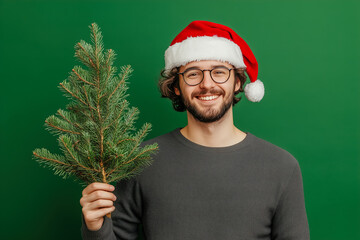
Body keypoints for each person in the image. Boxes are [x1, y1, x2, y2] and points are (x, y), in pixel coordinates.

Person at [80, 20, 310, 240]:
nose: (207, 84)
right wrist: (94, 228)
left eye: (219, 72)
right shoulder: (140, 160)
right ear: (176, 86)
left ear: (238, 82)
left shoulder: (281, 166)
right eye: (193, 74)